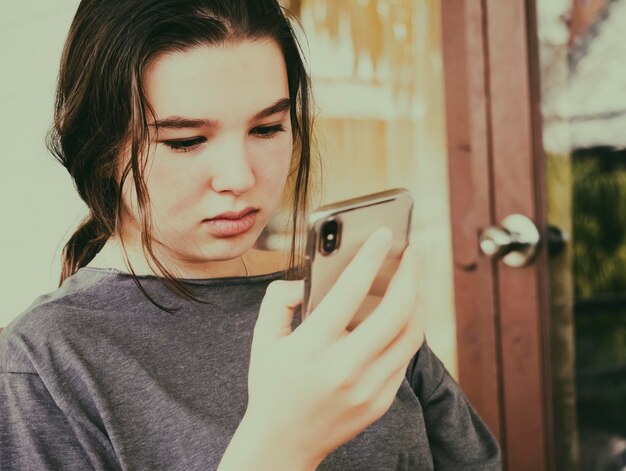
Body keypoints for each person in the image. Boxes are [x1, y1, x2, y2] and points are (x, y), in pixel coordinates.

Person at [0, 0, 501, 469]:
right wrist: (280, 446)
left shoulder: (335, 298)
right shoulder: (44, 362)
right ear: (100, 146)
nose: (240, 177)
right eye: (186, 141)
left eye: (267, 129)